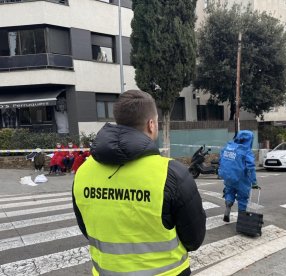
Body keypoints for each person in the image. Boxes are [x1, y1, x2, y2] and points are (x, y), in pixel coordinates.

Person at [72, 90, 206, 276]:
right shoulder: (172, 174)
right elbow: (194, 239)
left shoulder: (83, 172)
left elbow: (86, 229)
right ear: (151, 125)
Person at [219, 130, 258, 223]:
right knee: (243, 198)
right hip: (241, 178)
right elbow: (250, 167)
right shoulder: (246, 151)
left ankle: (227, 211)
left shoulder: (228, 147)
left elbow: (221, 159)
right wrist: (254, 182)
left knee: (229, 192)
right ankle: (241, 219)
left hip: (228, 177)